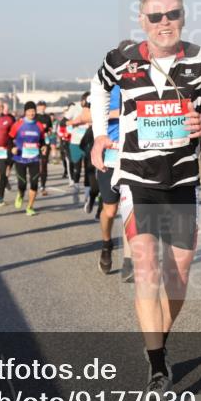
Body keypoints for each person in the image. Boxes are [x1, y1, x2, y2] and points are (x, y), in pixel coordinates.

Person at [90, 0, 201, 393]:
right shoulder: (123, 59)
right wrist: (101, 134)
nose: (164, 23)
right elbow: (99, 86)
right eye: (156, 16)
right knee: (147, 266)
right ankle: (156, 368)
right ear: (143, 20)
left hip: (183, 179)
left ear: (183, 18)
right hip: (137, 177)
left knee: (179, 273)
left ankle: (159, 343)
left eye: (172, 15)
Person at [90, 44, 136, 279]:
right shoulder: (108, 85)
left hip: (133, 156)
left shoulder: (142, 84)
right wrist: (121, 113)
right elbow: (94, 113)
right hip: (110, 154)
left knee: (131, 211)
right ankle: (106, 244)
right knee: (110, 210)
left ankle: (129, 261)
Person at [9, 101, 47, 216]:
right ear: (25, 112)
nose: (31, 113)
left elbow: (42, 140)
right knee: (22, 184)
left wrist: (44, 146)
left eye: (33, 110)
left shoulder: (39, 125)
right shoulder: (18, 124)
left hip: (34, 158)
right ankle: (20, 194)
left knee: (34, 183)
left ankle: (30, 207)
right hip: (20, 158)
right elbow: (9, 138)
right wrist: (12, 148)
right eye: (29, 111)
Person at [34, 101, 54, 196]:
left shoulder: (47, 117)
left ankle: (43, 186)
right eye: (40, 106)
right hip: (35, 143)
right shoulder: (34, 117)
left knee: (44, 164)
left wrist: (48, 132)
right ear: (37, 107)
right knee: (35, 165)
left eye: (43, 107)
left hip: (45, 143)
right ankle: (34, 184)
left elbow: (50, 128)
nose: (42, 108)